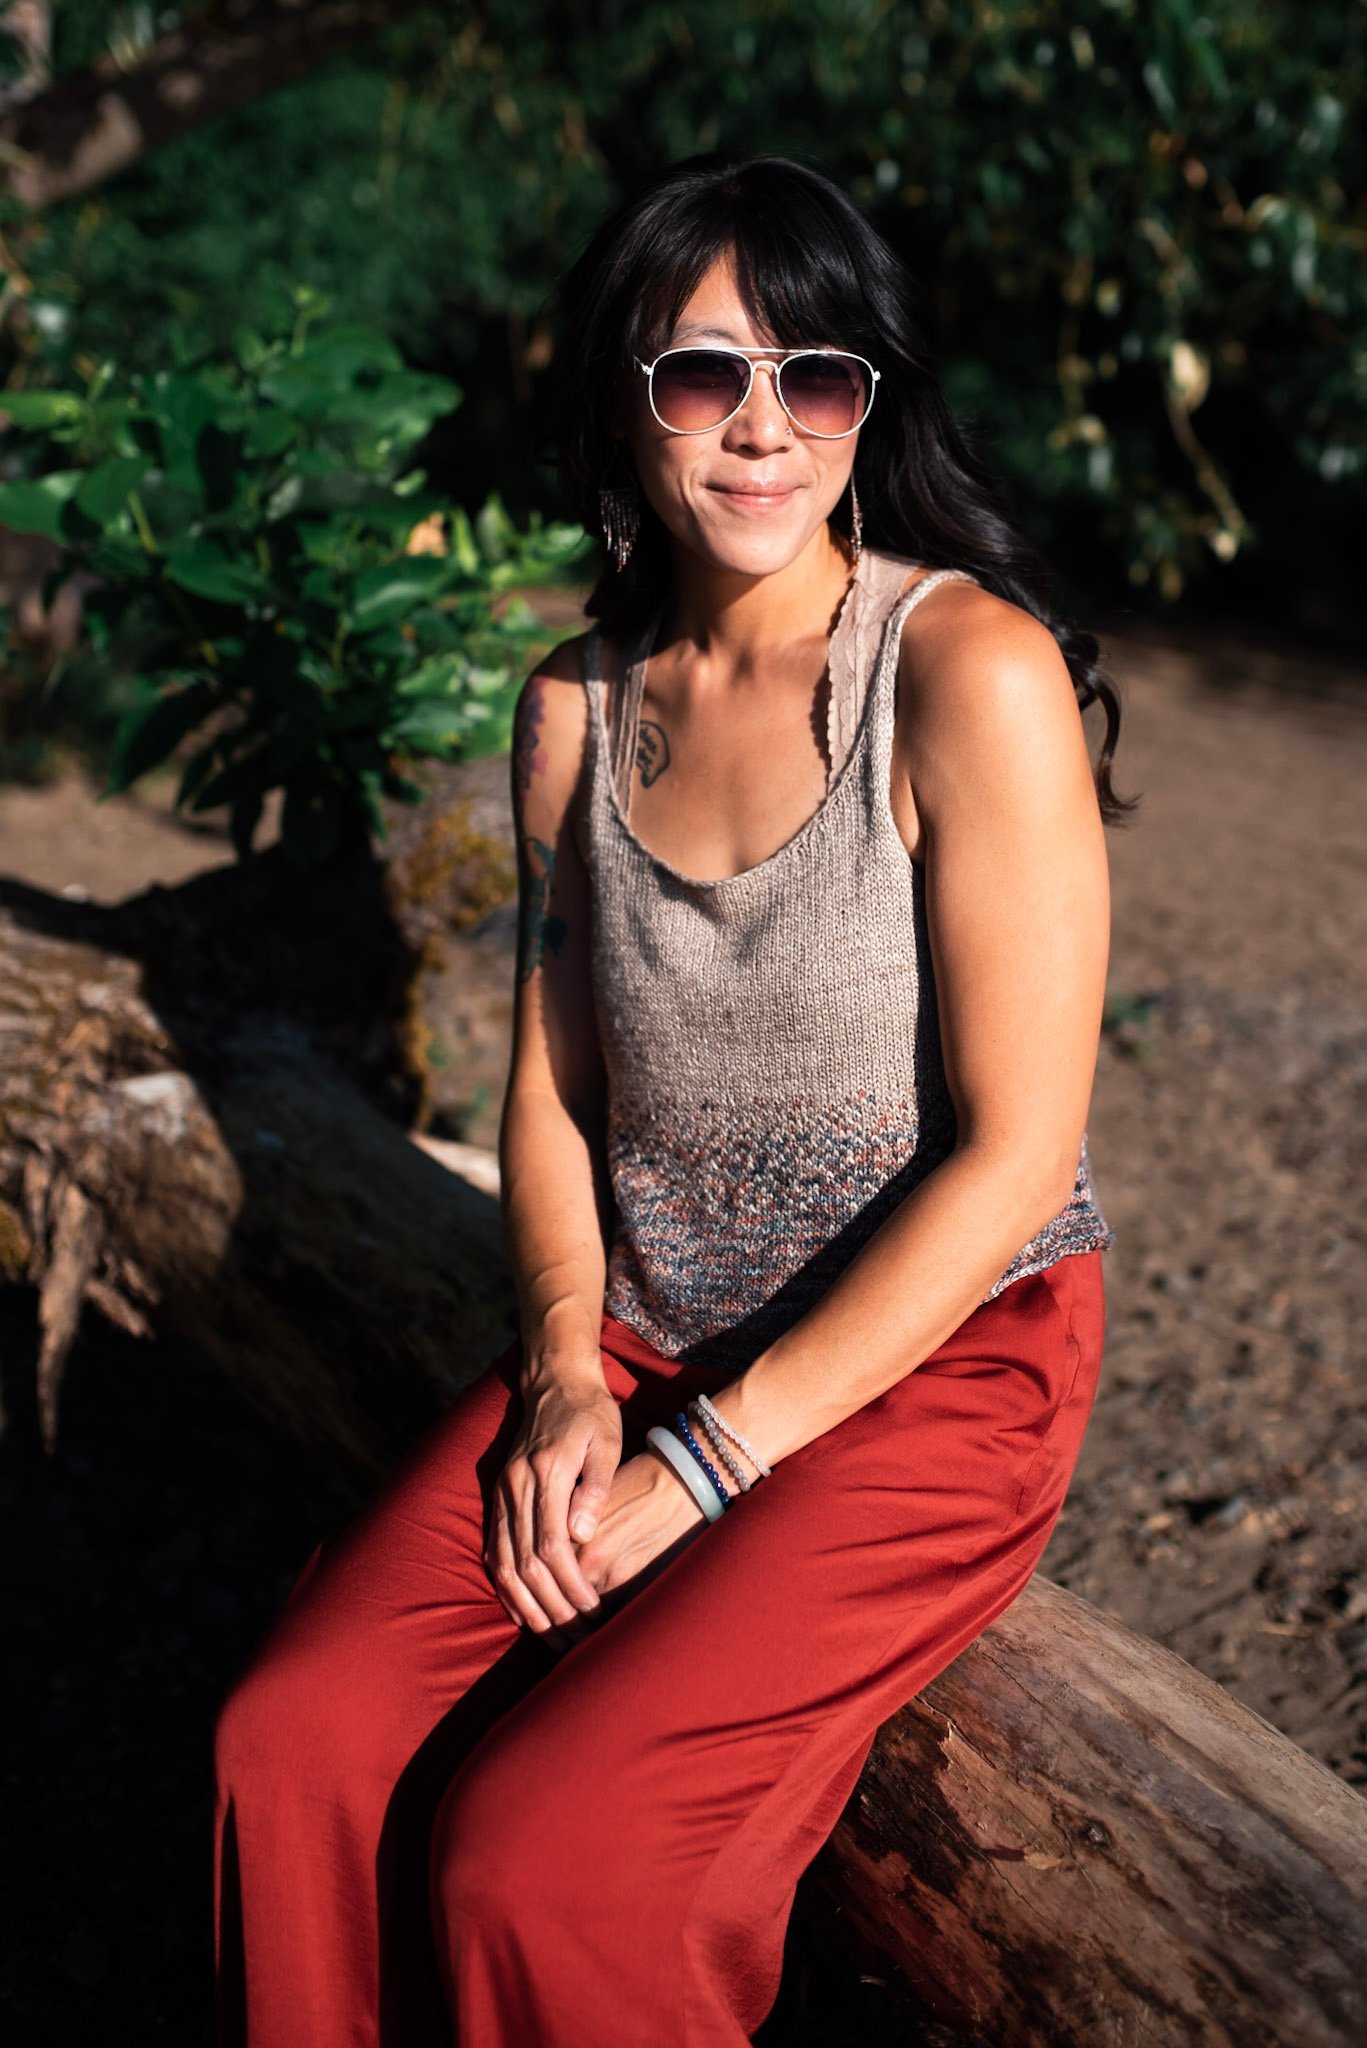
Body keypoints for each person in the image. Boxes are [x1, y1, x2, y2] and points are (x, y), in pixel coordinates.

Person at [212, 150, 1135, 2047]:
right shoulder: (574, 706)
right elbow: (555, 1089)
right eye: (707, 373)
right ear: (623, 396)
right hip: (637, 1333)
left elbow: (1018, 1155)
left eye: (820, 375)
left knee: (548, 1860)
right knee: (289, 1741)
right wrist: (565, 1371)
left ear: (872, 402)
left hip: (942, 1362)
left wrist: (704, 1469)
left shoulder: (966, 674)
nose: (765, 427)